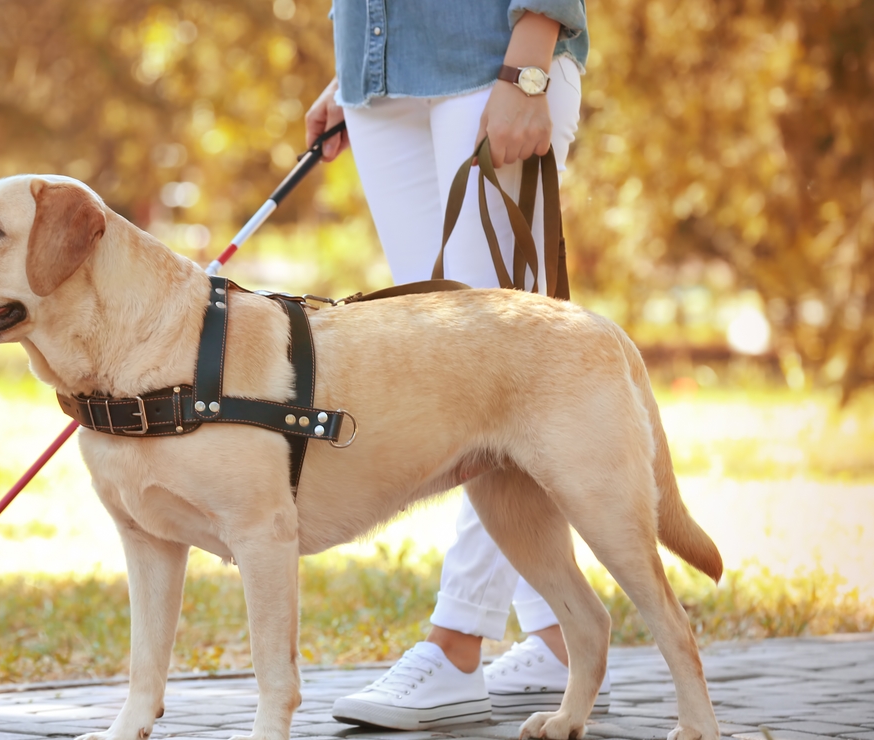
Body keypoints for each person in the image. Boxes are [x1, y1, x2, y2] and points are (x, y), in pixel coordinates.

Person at [304, 0, 611, 729]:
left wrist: (530, 64)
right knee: (443, 370)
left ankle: (458, 642)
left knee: (495, 373)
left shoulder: (514, 68)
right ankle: (555, 636)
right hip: (382, 81)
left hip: (492, 61)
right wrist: (366, 61)